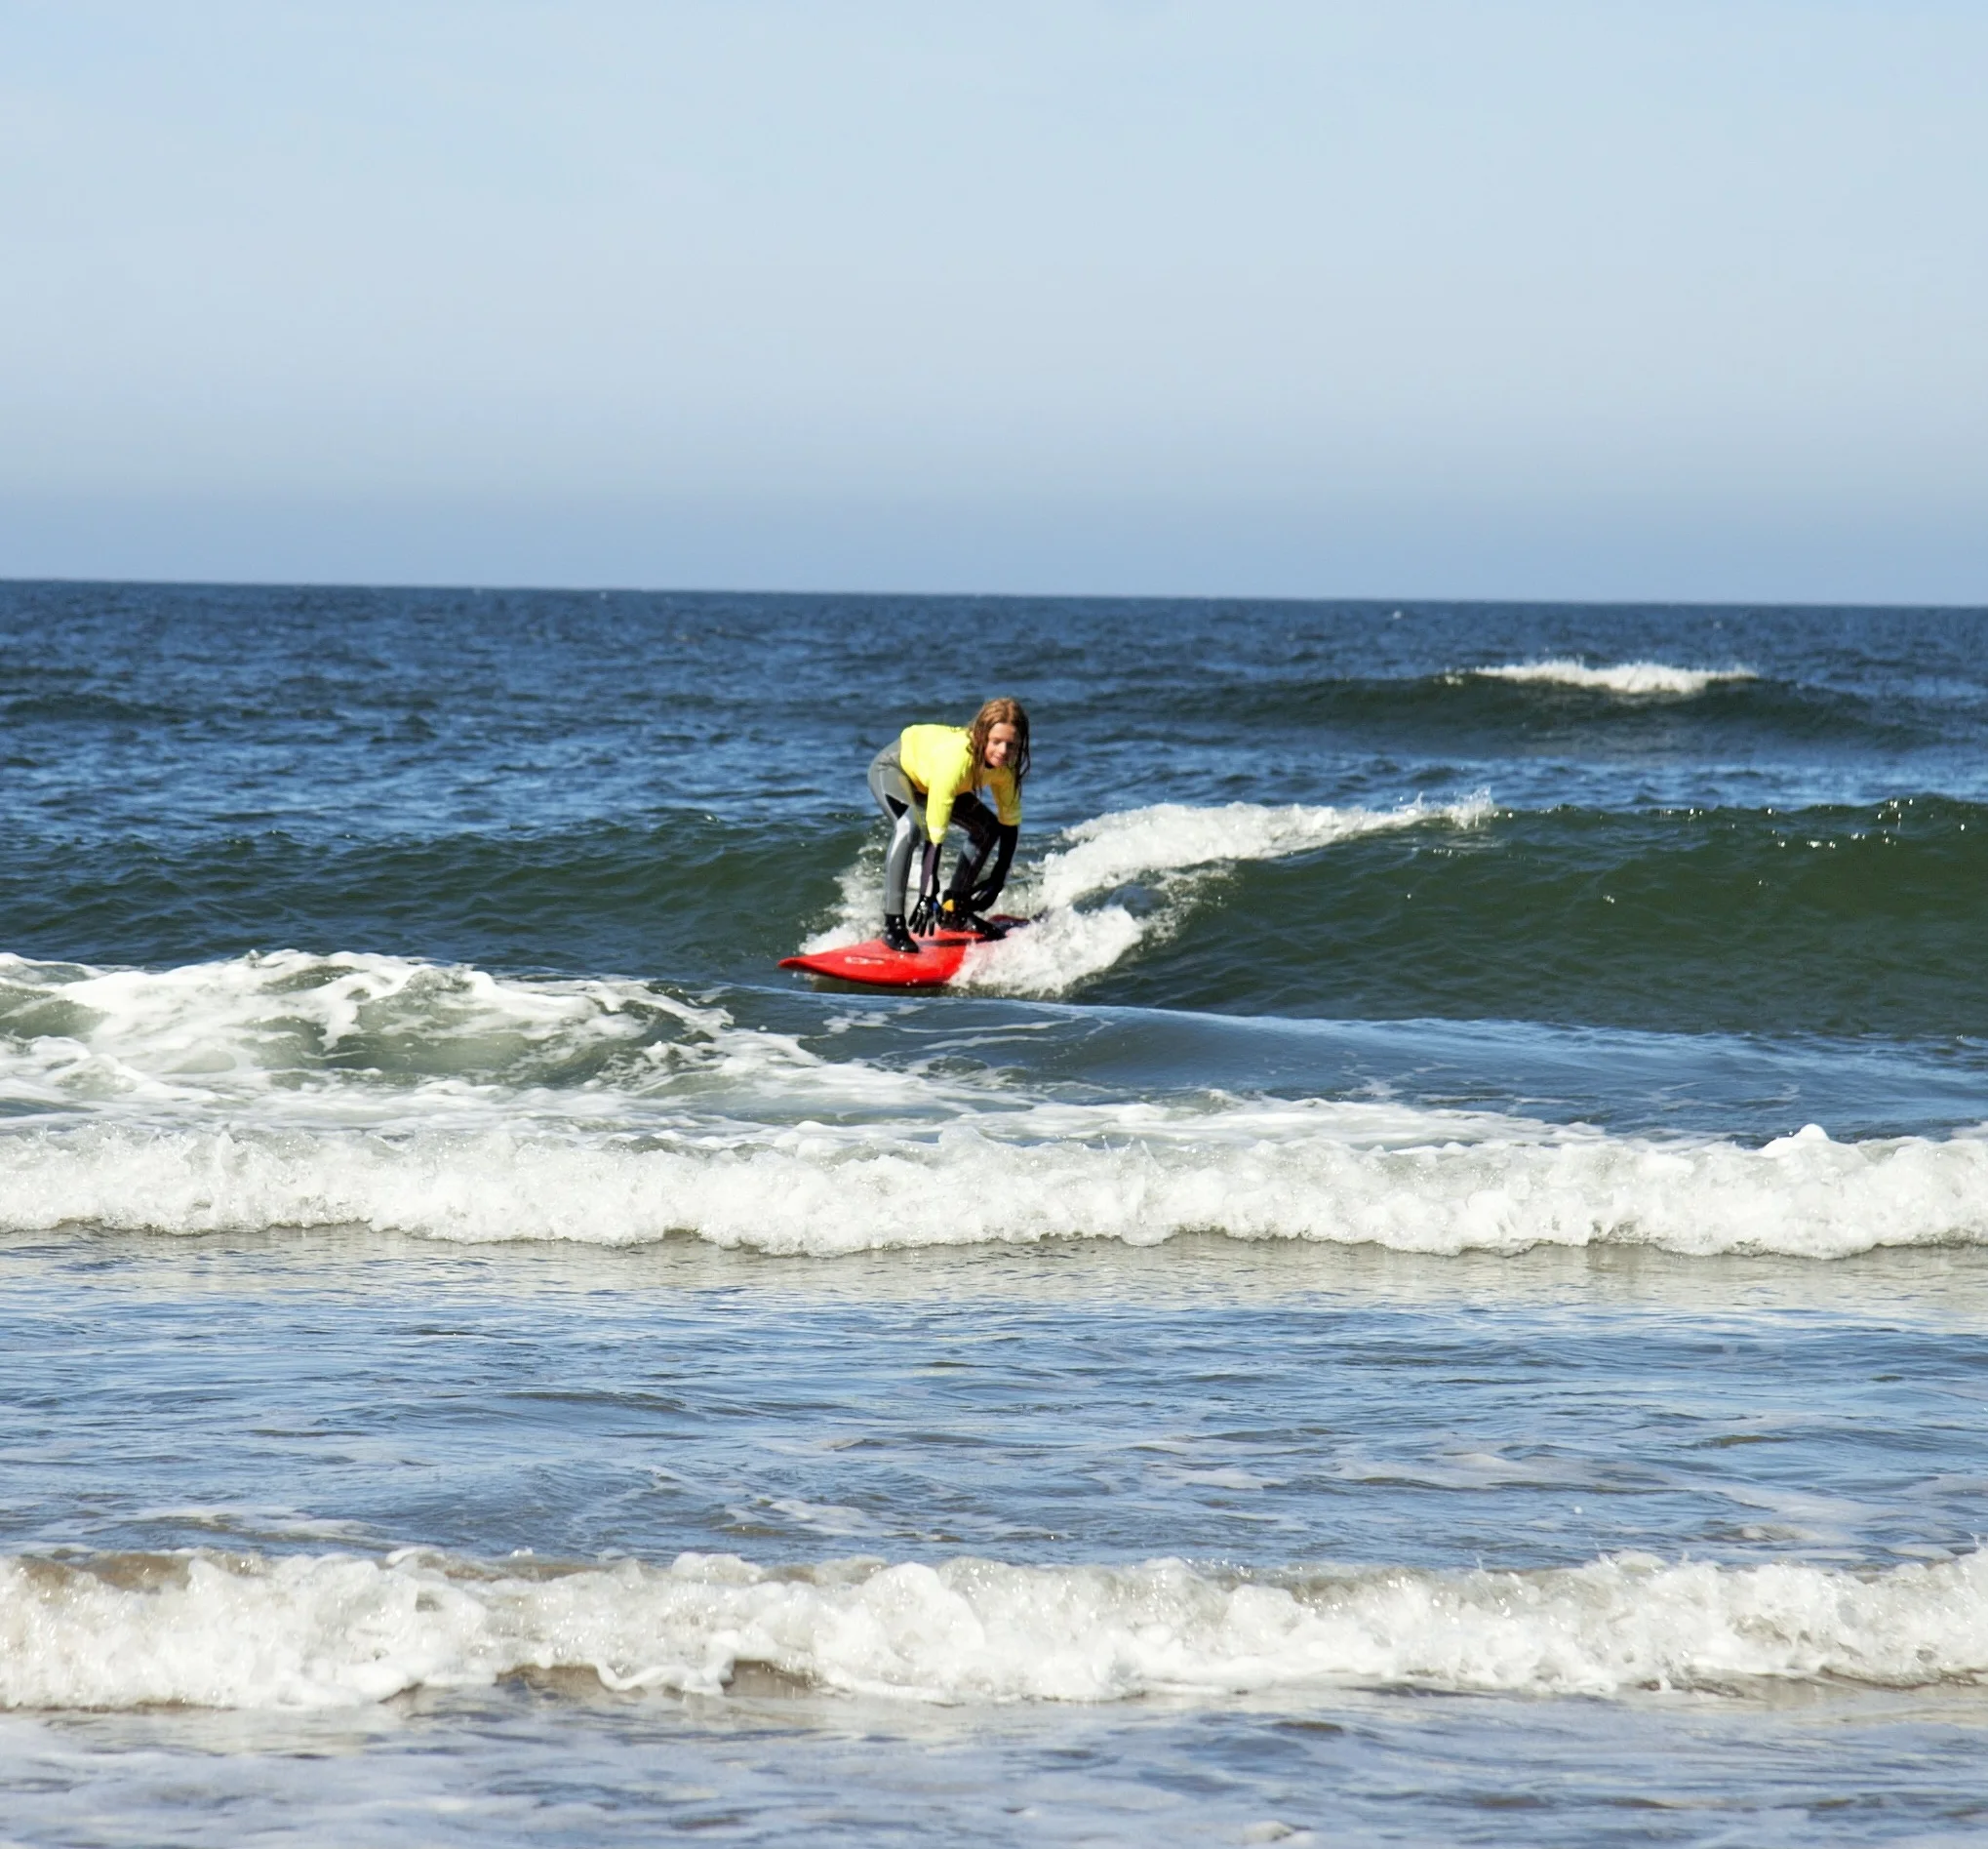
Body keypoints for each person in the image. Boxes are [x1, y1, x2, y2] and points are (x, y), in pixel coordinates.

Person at [867, 698, 1030, 954]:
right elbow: (935, 834)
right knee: (910, 828)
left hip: (932, 779)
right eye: (996, 741)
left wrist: (998, 879)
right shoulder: (957, 761)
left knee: (987, 828)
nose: (1003, 751)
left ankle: (954, 911)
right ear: (982, 735)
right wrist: (927, 895)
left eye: (1011, 745)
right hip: (895, 770)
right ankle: (893, 924)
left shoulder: (1005, 768)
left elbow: (1009, 823)